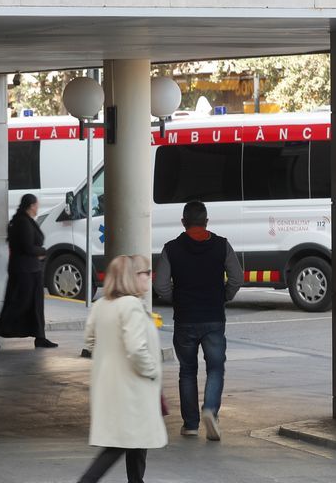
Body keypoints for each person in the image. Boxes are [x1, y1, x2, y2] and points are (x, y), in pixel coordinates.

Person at [154, 200, 244, 442]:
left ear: (183, 222)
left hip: (185, 319)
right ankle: (210, 410)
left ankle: (191, 425)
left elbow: (161, 285)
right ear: (206, 221)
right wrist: (222, 296)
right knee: (215, 367)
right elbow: (237, 278)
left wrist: (178, 298)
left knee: (187, 371)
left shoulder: (171, 249)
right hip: (213, 317)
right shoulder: (222, 246)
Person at [78, 255, 167, 483]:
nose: (149, 276)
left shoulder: (101, 305)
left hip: (109, 383)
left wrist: (109, 356)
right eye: (146, 273)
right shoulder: (131, 306)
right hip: (132, 387)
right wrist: (151, 370)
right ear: (130, 277)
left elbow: (89, 341)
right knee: (119, 445)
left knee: (135, 441)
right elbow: (137, 348)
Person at [0, 193, 58, 348]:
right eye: (37, 205)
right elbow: (27, 247)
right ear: (31, 206)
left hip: (31, 270)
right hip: (24, 272)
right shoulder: (22, 223)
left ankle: (40, 337)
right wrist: (42, 251)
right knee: (19, 304)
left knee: (36, 305)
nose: (38, 207)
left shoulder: (24, 221)